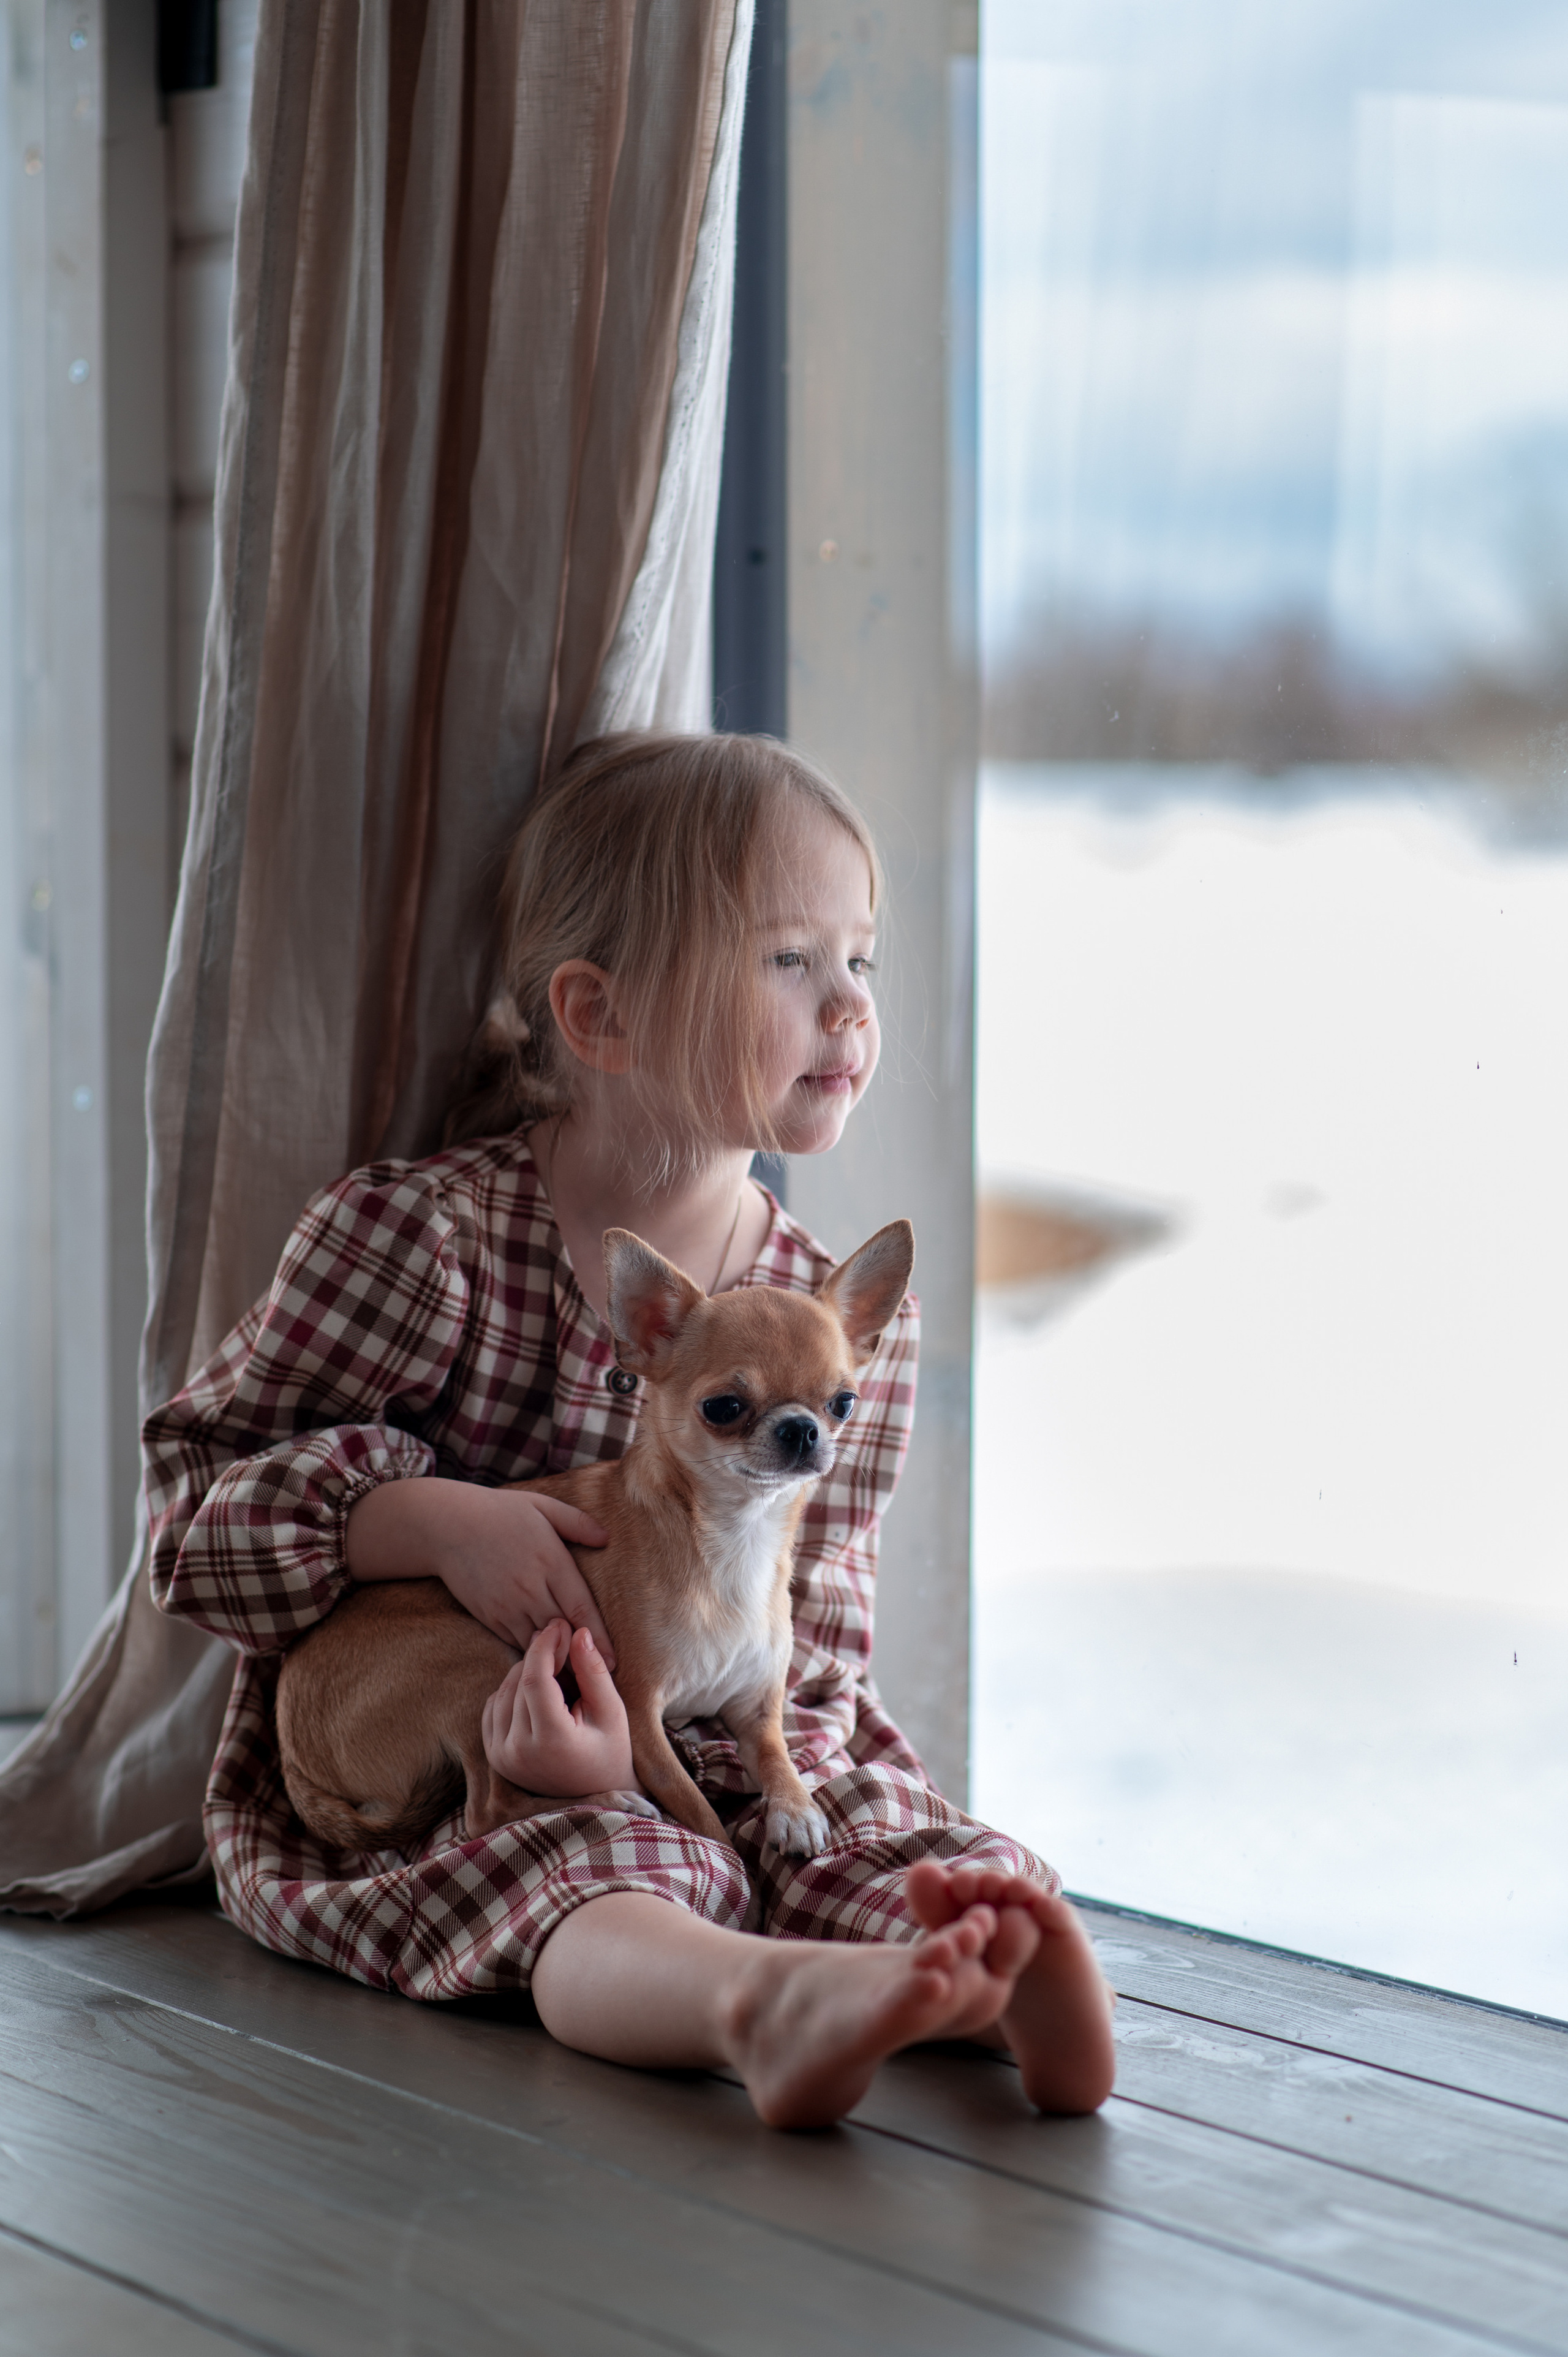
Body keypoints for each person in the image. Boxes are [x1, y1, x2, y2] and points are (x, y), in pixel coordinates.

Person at [143, 732, 1116, 2130]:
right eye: (790, 960)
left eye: (864, 961)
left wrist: (810, 1797)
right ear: (598, 1016)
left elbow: (814, 1649)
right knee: (593, 1871)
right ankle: (748, 2003)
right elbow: (192, 1517)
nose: (847, 1007)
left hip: (713, 1744)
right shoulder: (421, 1242)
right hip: (441, 1765)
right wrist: (424, 1519)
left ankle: (994, 1963)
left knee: (873, 1831)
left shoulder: (832, 1331)